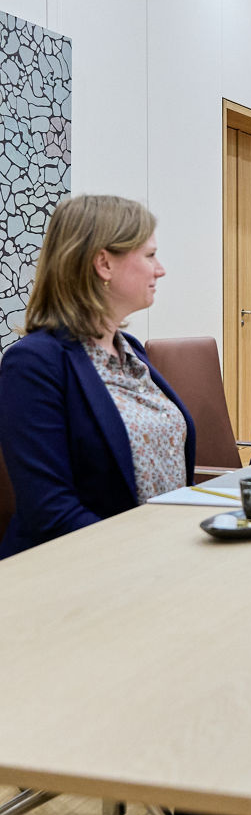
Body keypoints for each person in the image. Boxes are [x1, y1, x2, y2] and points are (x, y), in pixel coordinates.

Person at [0, 195, 195, 559]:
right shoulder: (34, 363)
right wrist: (144, 555)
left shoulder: (131, 350)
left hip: (161, 559)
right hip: (80, 573)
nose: (161, 269)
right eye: (150, 256)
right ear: (104, 263)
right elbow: (51, 510)